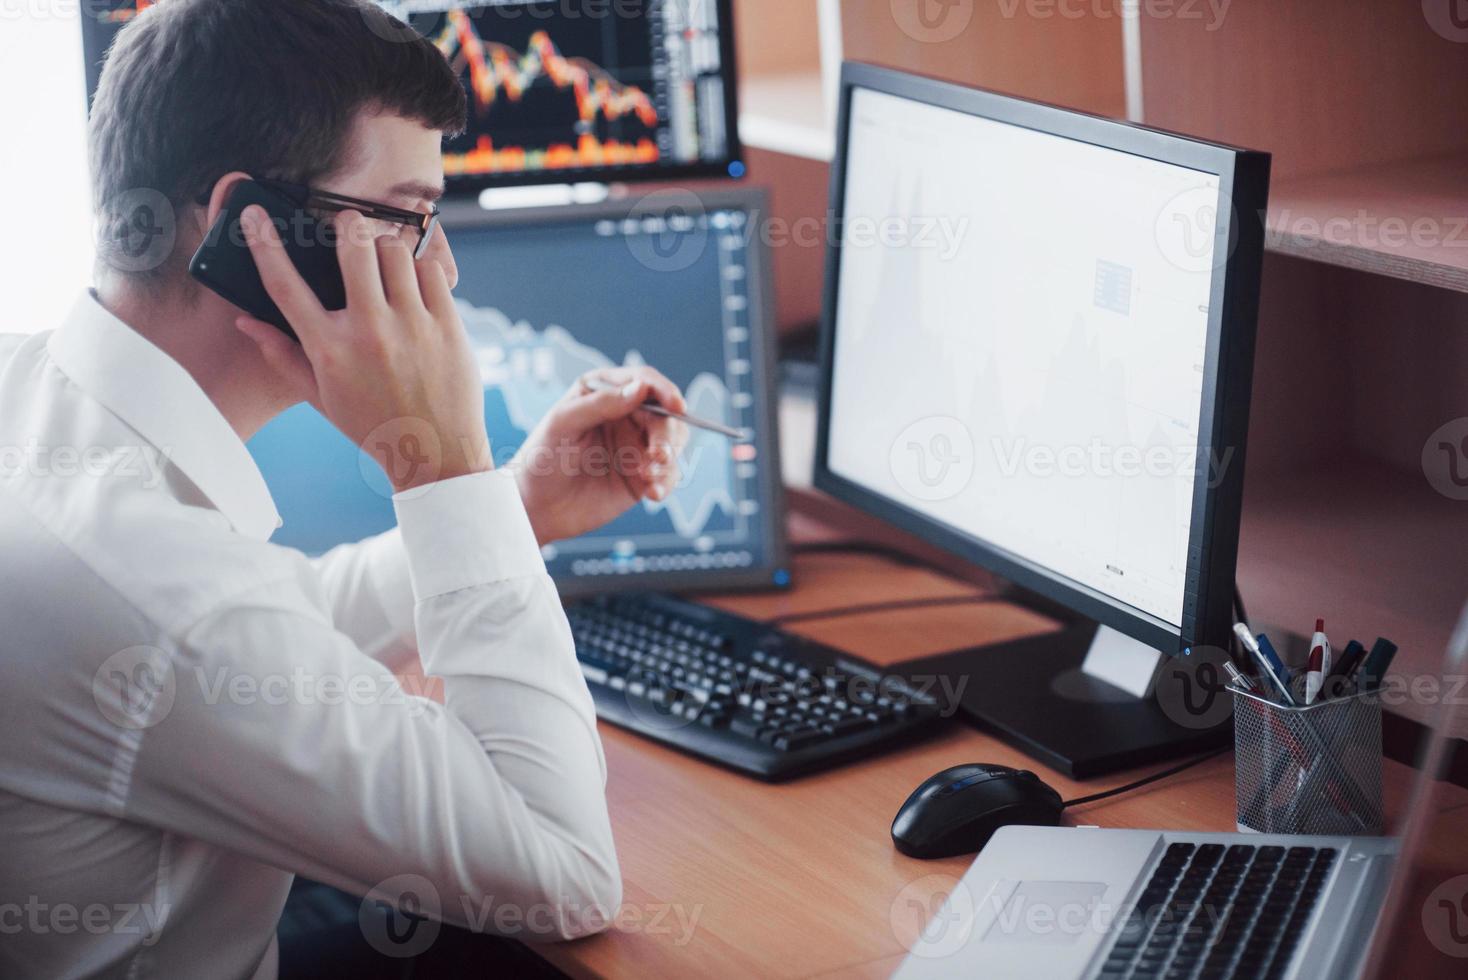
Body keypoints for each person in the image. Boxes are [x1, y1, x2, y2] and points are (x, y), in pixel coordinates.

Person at [0, 1, 688, 976]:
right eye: (406, 217)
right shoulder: (155, 598)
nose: (437, 269)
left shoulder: (34, 401)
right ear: (251, 228)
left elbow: (260, 636)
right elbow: (566, 873)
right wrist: (445, 463)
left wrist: (514, 505)